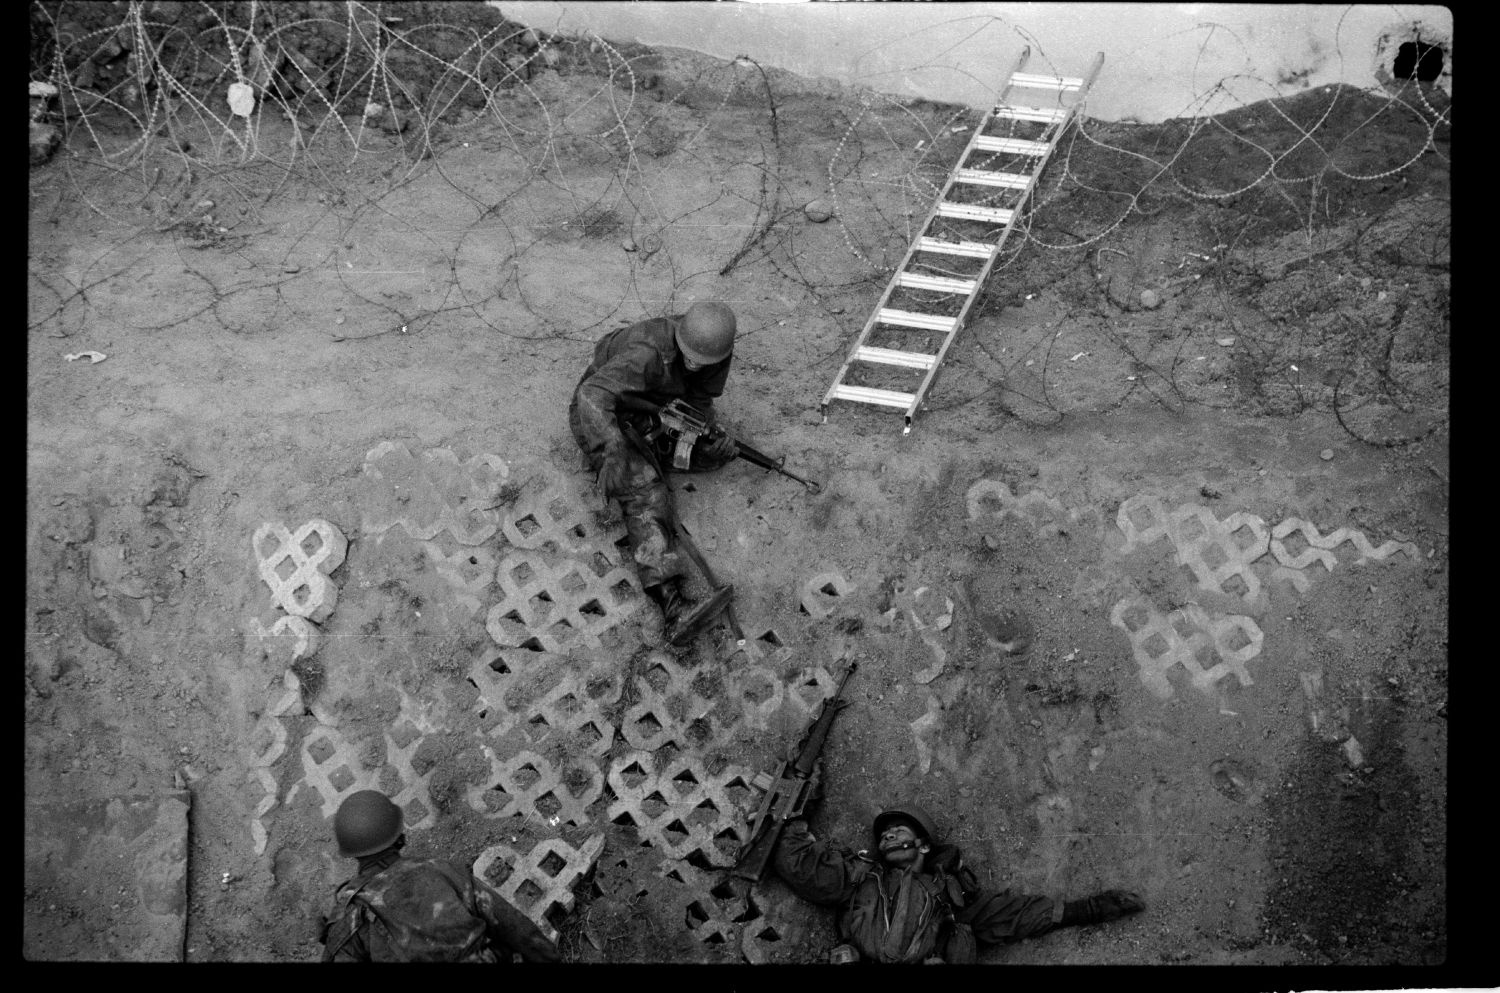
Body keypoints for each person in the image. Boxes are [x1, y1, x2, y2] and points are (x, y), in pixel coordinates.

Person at [772, 801, 1145, 964]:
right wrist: (798, 810)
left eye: (897, 829)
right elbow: (801, 868)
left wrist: (1089, 909)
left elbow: (1012, 915)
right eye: (883, 833)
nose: (887, 835)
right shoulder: (861, 877)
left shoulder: (947, 893)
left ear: (923, 844)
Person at [569, 301, 741, 645]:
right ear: (680, 338)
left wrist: (709, 436)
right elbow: (591, 396)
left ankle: (652, 451)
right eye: (689, 356)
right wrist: (612, 448)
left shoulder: (714, 349)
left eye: (702, 361)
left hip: (655, 409)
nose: (694, 364)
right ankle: (672, 604)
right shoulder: (650, 352)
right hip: (601, 414)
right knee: (646, 490)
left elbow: (699, 403)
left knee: (709, 455)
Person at [318, 790, 561, 963]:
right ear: (399, 836)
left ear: (352, 853)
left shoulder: (348, 919)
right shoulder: (443, 870)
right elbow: (513, 925)